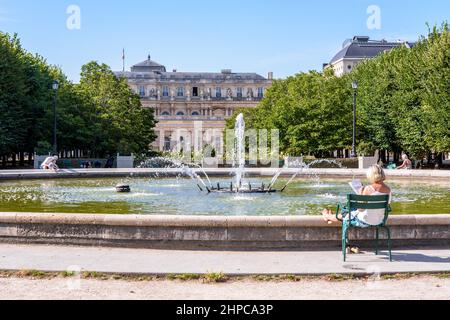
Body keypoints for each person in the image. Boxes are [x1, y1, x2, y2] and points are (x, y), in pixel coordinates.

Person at [322, 165, 392, 252]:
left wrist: (360, 193)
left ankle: (328, 217)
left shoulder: (368, 189)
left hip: (366, 220)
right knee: (348, 212)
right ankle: (329, 217)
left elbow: (360, 209)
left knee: (347, 214)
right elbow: (387, 206)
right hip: (380, 220)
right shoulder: (388, 189)